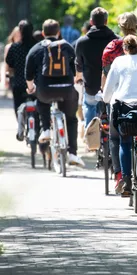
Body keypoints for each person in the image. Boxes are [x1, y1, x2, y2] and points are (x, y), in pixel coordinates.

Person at [101, 12, 137, 194]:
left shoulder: (115, 55)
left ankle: (123, 178)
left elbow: (108, 85)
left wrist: (106, 101)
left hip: (122, 106)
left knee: (122, 140)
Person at [25, 19, 84, 167]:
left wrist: (31, 88)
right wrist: (76, 80)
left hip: (45, 90)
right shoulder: (67, 47)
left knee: (41, 98)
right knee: (71, 119)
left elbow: (28, 74)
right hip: (66, 90)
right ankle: (72, 153)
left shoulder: (36, 49)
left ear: (43, 33)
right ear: (58, 33)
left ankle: (45, 130)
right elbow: (77, 68)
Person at [75, 7, 117, 127]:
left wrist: (78, 77)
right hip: (111, 87)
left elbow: (78, 64)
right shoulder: (115, 40)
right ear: (106, 21)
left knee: (89, 105)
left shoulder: (82, 42)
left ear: (91, 21)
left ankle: (91, 136)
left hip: (91, 86)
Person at [6, 20, 36, 117]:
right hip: (36, 83)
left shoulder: (15, 47)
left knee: (18, 106)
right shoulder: (37, 45)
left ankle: (20, 125)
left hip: (18, 82)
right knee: (39, 107)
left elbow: (9, 62)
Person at [3, 26, 21, 91]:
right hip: (13, 75)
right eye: (17, 34)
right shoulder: (8, 47)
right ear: (13, 35)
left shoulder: (25, 47)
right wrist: (6, 78)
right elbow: (6, 64)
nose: (18, 36)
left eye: (20, 34)